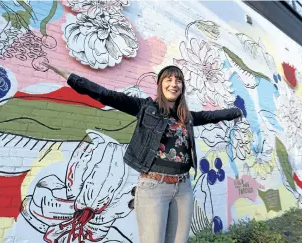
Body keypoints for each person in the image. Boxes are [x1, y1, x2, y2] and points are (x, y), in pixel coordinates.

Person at [44, 63, 242, 243]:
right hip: (154, 186)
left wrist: (237, 112)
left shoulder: (187, 117)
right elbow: (106, 95)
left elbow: (212, 116)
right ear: (160, 85)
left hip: (183, 188)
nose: (174, 84)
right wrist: (70, 77)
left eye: (179, 80)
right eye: (169, 79)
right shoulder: (146, 107)